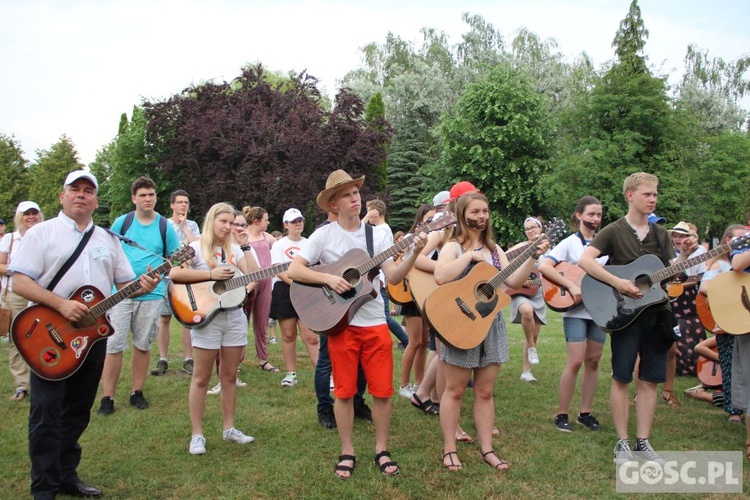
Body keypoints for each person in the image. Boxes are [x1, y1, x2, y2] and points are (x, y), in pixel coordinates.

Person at [8, 170, 159, 499]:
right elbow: (19, 281)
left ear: (95, 200)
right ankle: (44, 488)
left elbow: (124, 285)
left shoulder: (109, 239)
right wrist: (60, 305)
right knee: (46, 414)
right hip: (48, 335)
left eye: (88, 191)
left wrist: (143, 285)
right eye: (74, 189)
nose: (81, 195)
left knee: (77, 410)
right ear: (62, 196)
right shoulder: (41, 234)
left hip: (92, 339)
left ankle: (66, 475)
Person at [287, 169, 426, 479]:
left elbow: (392, 276)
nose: (355, 198)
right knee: (345, 392)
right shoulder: (323, 235)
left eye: (356, 192)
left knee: (381, 391)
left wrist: (414, 253)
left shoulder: (379, 235)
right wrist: (329, 278)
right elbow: (295, 270)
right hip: (341, 323)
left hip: (376, 321)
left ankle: (381, 448)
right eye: (347, 194)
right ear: (333, 204)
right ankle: (347, 450)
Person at [434, 191, 548, 472]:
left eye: (485, 211)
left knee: (485, 391)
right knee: (456, 390)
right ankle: (449, 448)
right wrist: (470, 257)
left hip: (491, 324)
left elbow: (512, 281)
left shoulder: (496, 250)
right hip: (460, 324)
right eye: (475, 212)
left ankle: (487, 448)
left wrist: (531, 258)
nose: (481, 217)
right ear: (462, 214)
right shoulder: (453, 247)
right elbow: (440, 276)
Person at [579, 172, 683, 463]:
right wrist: (617, 282)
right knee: (622, 377)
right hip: (624, 313)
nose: (653, 199)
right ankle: (622, 442)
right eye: (647, 194)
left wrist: (684, 261)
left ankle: (644, 442)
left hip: (657, 314)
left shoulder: (661, 234)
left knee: (650, 379)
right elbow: (585, 261)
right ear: (630, 195)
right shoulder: (613, 230)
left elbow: (669, 271)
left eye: (655, 194)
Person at [169, 202, 261, 455]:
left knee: (229, 375)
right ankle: (197, 435)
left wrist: (244, 244)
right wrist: (210, 276)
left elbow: (254, 274)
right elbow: (174, 273)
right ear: (212, 221)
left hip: (234, 316)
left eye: (232, 222)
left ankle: (229, 428)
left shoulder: (235, 248)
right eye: (224, 221)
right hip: (207, 317)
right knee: (201, 377)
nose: (228, 226)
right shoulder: (196, 247)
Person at [98, 176, 181, 415]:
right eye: (143, 195)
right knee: (114, 344)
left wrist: (161, 274)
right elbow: (108, 254)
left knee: (143, 344)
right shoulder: (122, 223)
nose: (148, 199)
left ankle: (137, 391)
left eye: (151, 194)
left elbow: (174, 260)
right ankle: (108, 397)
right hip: (120, 294)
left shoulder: (165, 226)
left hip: (152, 295)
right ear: (134, 198)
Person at [538, 196, 607, 432]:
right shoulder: (569, 243)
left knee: (593, 361)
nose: (595, 219)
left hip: (598, 309)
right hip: (575, 311)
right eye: (591, 214)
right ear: (579, 215)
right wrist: (571, 286)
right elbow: (545, 266)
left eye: (598, 215)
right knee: (575, 361)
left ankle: (585, 412)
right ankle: (562, 414)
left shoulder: (606, 242)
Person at [698, 224, 748, 423]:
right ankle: (733, 408)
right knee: (730, 363)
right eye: (741, 237)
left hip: (745, 315)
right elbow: (704, 287)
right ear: (729, 241)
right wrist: (729, 295)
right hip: (728, 317)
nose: (745, 240)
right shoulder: (720, 265)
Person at [151, 189, 200, 376]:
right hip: (165, 277)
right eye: (180, 202)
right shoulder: (163, 225)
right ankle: (163, 359)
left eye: (186, 202)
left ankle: (188, 359)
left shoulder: (193, 225)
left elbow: (196, 246)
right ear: (172, 205)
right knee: (164, 319)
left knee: (187, 320)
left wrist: (184, 225)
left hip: (187, 277)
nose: (183, 205)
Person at [270, 208, 319, 387]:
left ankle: (323, 374)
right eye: (293, 221)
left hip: (306, 290)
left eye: (300, 220)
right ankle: (291, 374)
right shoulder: (279, 244)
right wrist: (297, 284)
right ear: (286, 225)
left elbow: (314, 267)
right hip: (285, 290)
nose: (298, 224)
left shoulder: (310, 243)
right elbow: (279, 269)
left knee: (311, 336)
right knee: (288, 334)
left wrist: (305, 285)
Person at [0, 201, 44, 401]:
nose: (31, 217)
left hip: (40, 293)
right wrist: (19, 270)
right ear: (19, 217)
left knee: (40, 337)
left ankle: (43, 379)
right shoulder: (10, 239)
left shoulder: (45, 235)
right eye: (27, 214)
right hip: (16, 294)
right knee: (17, 338)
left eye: (35, 213)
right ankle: (21, 385)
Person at [397, 204, 435, 398]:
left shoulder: (437, 240)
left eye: (434, 219)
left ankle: (420, 383)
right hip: (410, 294)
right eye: (429, 219)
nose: (432, 222)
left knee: (426, 341)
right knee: (415, 341)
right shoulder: (408, 239)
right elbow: (397, 263)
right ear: (419, 221)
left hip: (426, 293)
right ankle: (404, 385)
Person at [362, 199, 409, 349]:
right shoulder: (383, 228)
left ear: (375, 213)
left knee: (385, 316)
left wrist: (365, 218)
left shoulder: (380, 230)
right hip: (378, 278)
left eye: (369, 211)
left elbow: (359, 234)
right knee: (384, 316)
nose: (367, 215)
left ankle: (406, 340)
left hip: (379, 279)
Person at [509, 217, 548, 382]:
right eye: (527, 229)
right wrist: (517, 277)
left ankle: (526, 371)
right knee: (526, 311)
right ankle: (532, 347)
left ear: (541, 228)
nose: (531, 231)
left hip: (538, 291)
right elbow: (504, 260)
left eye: (534, 227)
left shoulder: (549, 249)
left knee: (535, 332)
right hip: (519, 290)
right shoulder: (522, 247)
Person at [242, 206, 279, 372]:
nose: (268, 222)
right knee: (242, 323)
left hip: (266, 282)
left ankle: (263, 359)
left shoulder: (266, 236)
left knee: (262, 322)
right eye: (266, 219)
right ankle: (237, 360)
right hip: (248, 283)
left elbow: (280, 247)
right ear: (256, 221)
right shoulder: (243, 236)